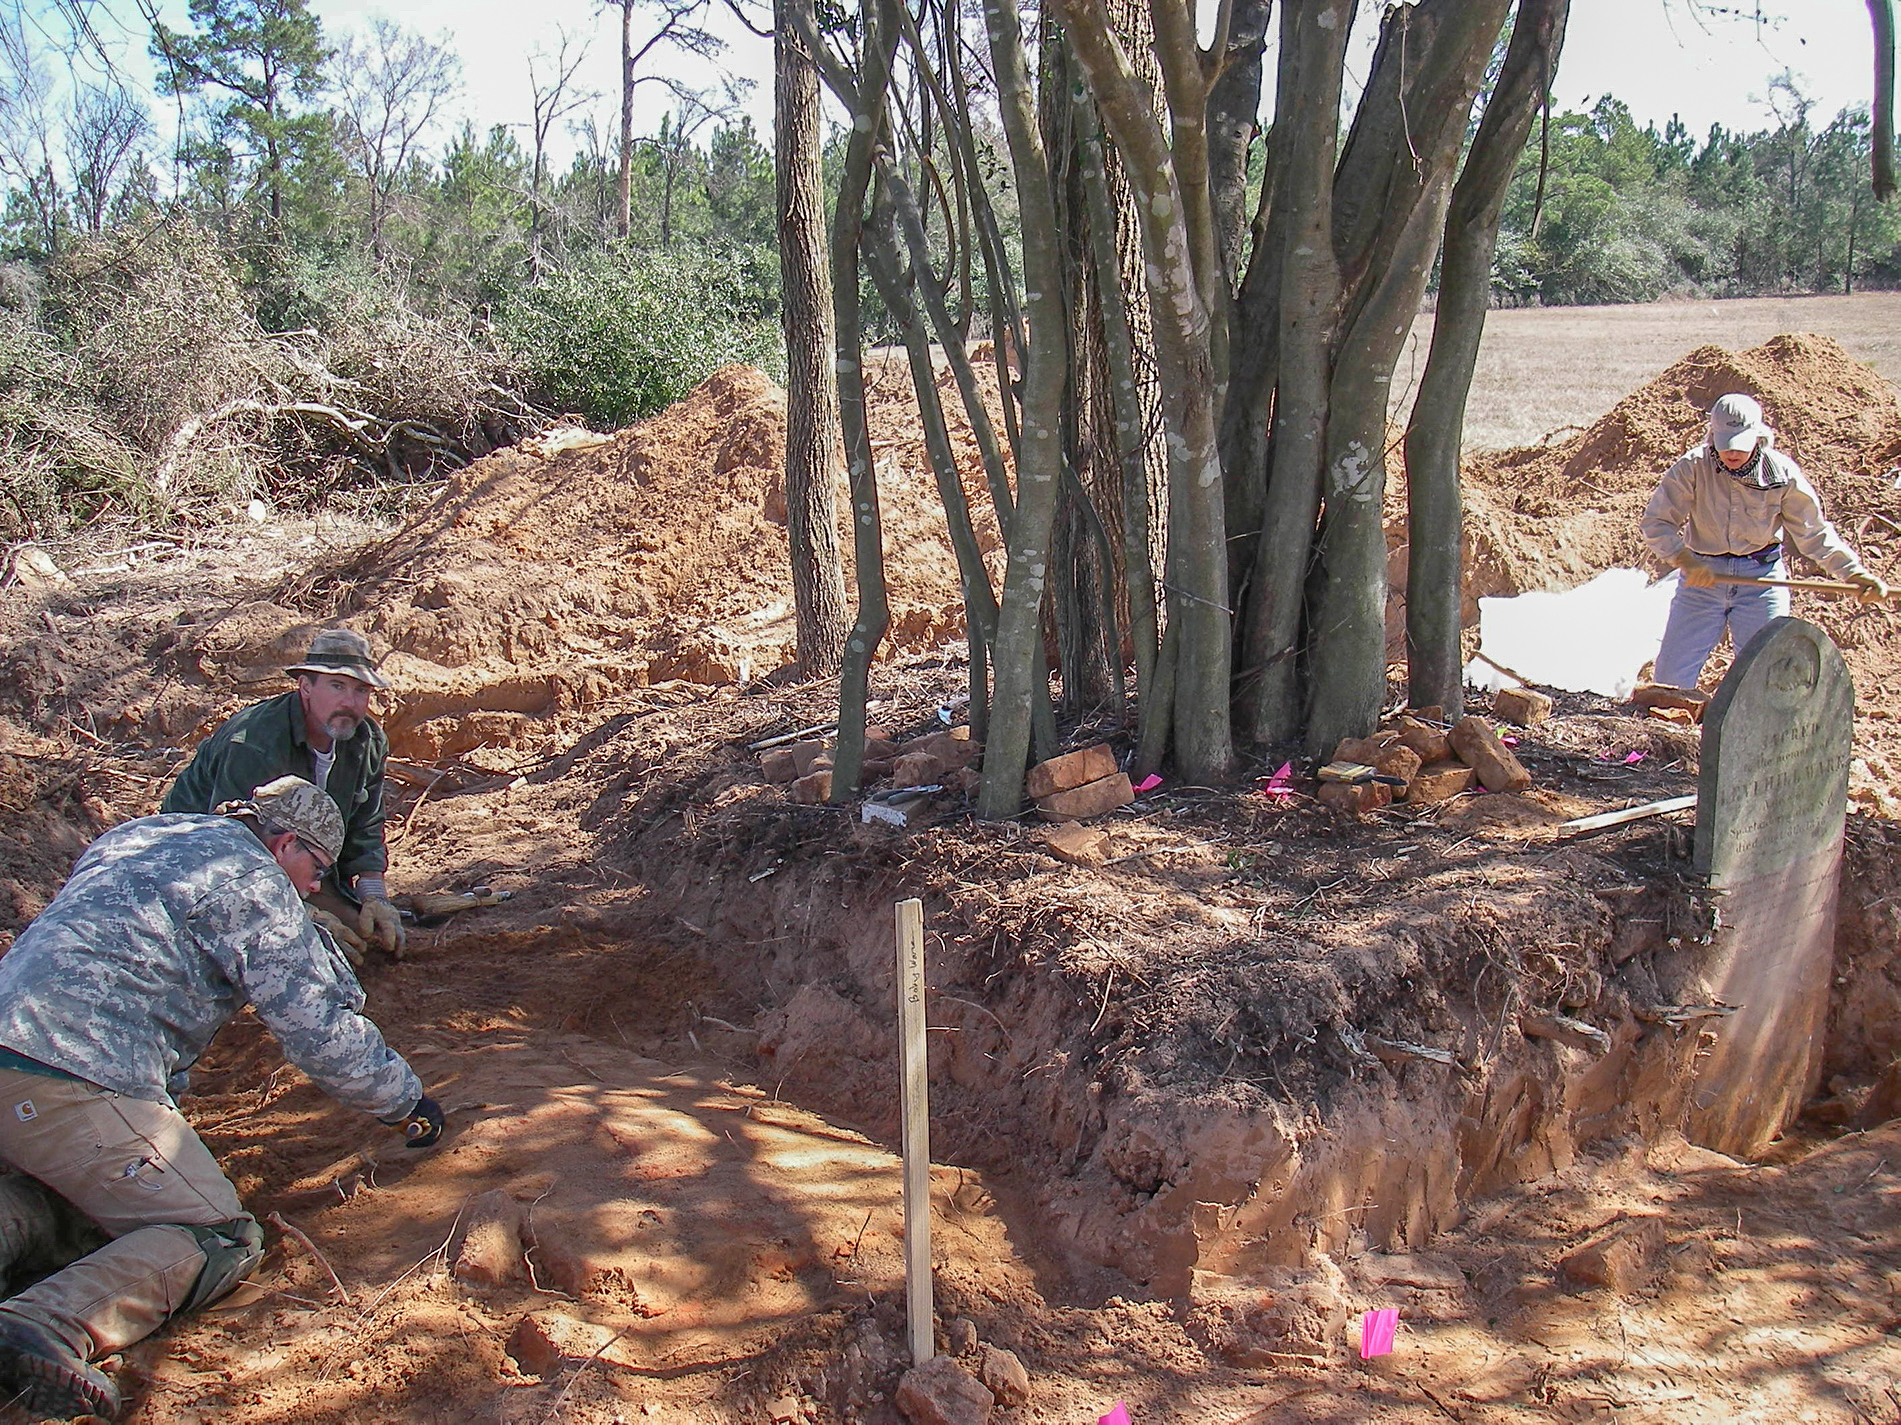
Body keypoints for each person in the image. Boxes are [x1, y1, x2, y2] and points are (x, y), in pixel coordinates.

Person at [0, 776, 442, 1420]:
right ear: (284, 843)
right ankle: (46, 1323)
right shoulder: (255, 881)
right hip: (74, 1073)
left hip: (17, 1056)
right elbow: (316, 1023)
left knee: (64, 1195)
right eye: (316, 868)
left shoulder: (143, 832)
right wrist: (406, 1101)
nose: (315, 886)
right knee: (214, 1233)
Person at [162, 627, 404, 959]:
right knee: (302, 951)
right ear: (306, 687)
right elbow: (233, 846)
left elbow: (365, 826)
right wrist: (301, 918)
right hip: (202, 866)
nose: (350, 702)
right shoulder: (256, 742)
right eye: (337, 686)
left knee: (368, 941)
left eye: (361, 690)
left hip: (295, 863)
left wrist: (374, 895)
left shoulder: (367, 742)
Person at [1640, 392, 1890, 690]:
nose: (1732, 454)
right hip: (1703, 580)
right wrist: (1684, 560)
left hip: (1761, 580)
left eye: (1741, 446)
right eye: (1725, 446)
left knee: (1766, 680)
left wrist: (1853, 573)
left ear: (1758, 437)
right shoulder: (1692, 467)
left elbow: (1814, 533)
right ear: (1712, 436)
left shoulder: (1782, 474)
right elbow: (1656, 523)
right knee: (1669, 680)